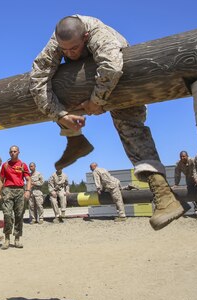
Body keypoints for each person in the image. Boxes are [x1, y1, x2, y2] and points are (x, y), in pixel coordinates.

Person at [29, 15, 184, 231]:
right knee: (57, 86)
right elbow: (37, 78)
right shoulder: (58, 42)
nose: (69, 54)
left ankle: (164, 195)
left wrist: (96, 101)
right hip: (87, 82)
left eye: (74, 48)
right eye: (64, 50)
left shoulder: (99, 34)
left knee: (129, 127)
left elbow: (112, 65)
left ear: (85, 37)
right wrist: (59, 115)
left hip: (121, 79)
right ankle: (76, 140)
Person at [0, 146, 31, 249]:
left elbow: (28, 179)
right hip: (7, 190)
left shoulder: (23, 165)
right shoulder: (5, 165)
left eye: (15, 151)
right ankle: (7, 239)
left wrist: (28, 191)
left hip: (20, 191)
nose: (13, 153)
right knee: (7, 214)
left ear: (19, 152)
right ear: (9, 153)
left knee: (19, 215)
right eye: (11, 152)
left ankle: (17, 239)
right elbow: (1, 180)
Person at [173, 151, 197, 217]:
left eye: (183, 156)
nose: (182, 158)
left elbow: (195, 170)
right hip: (188, 178)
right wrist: (176, 184)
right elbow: (177, 174)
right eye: (181, 156)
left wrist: (196, 179)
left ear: (187, 156)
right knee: (191, 192)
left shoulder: (192, 160)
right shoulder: (178, 163)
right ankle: (196, 208)